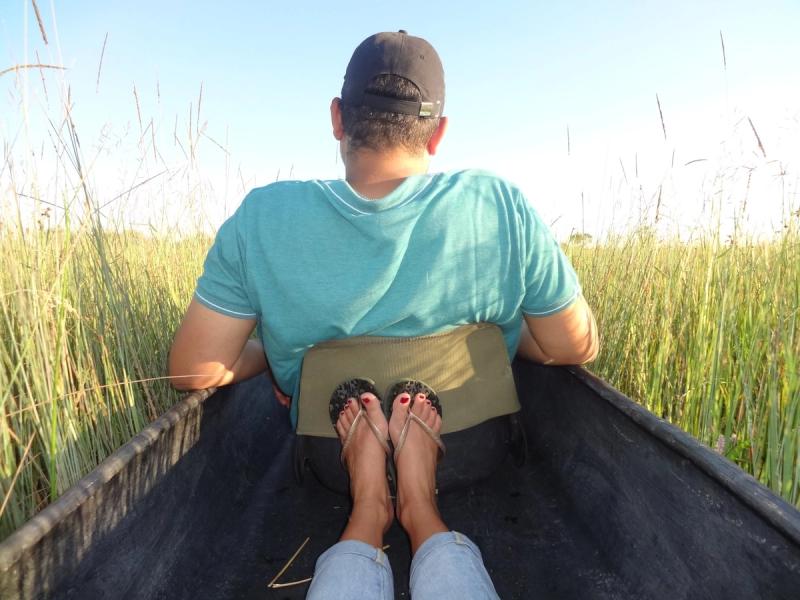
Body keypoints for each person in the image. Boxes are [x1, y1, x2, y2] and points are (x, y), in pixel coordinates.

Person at [168, 30, 598, 598]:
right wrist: (505, 335)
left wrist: (270, 358)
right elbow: (574, 346)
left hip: (329, 455)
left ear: (338, 119)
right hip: (472, 451)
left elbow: (193, 370)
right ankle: (422, 511)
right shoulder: (500, 204)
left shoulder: (263, 216)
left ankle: (368, 504)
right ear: (438, 131)